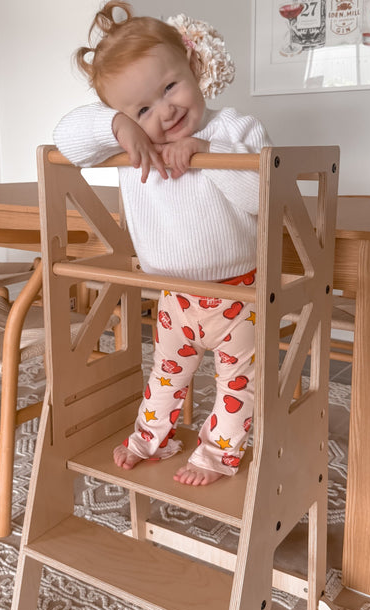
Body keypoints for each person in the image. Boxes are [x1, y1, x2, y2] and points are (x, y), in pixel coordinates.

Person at [54, 1, 272, 485]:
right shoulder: (133, 143)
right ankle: (151, 440)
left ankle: (217, 455)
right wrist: (117, 127)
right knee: (165, 377)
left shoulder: (233, 129)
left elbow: (263, 195)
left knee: (238, 385)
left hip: (239, 296)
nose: (166, 111)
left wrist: (207, 152)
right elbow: (65, 137)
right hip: (174, 298)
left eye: (170, 87)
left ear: (193, 65)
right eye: (142, 109)